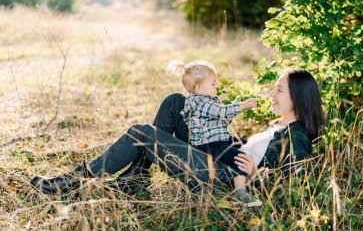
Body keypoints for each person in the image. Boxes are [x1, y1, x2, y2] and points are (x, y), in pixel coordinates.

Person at [31, 68, 324, 206]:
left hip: (218, 175)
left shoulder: (296, 136)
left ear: (298, 98)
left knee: (141, 133)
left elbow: (293, 185)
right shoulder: (277, 125)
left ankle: (73, 182)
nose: (271, 94)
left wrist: (256, 174)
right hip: (217, 154)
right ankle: (137, 178)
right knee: (176, 102)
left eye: (279, 91)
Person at [169, 60, 259, 205]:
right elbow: (221, 111)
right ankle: (241, 194)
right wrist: (244, 105)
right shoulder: (199, 102)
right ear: (198, 88)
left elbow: (222, 118)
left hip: (216, 142)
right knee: (239, 158)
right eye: (213, 84)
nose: (216, 86)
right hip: (208, 145)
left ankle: (243, 177)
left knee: (242, 142)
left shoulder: (205, 101)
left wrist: (227, 117)